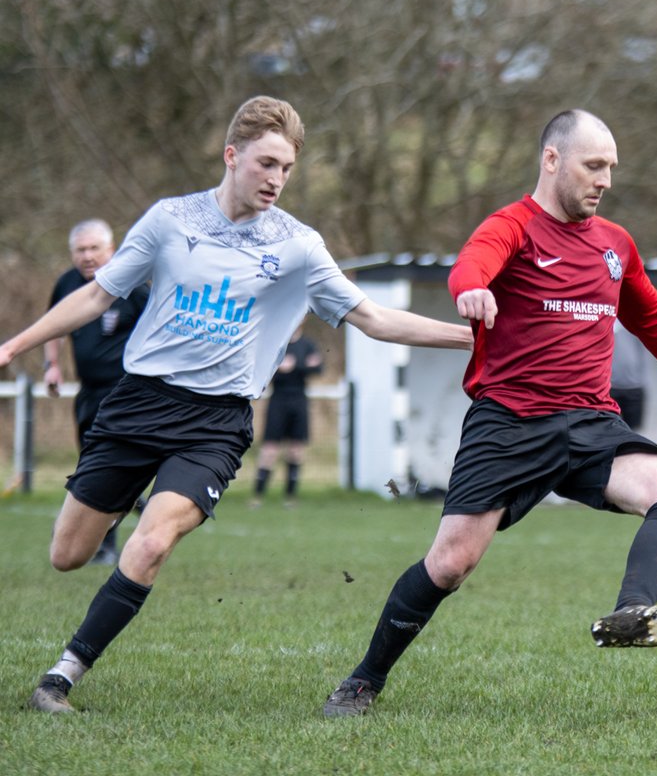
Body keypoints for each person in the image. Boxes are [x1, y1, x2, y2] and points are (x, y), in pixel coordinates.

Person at [0, 96, 474, 714]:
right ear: (232, 156)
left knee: (150, 542)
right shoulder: (170, 220)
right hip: (137, 404)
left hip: (213, 424)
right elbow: (96, 296)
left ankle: (60, 677)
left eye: (287, 168)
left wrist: (475, 337)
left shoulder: (300, 247)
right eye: (266, 163)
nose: (276, 179)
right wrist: (15, 345)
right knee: (68, 555)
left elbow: (375, 318)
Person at [322, 108, 657, 717]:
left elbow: (652, 317)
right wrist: (471, 288)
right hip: (510, 423)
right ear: (552, 160)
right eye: (592, 165)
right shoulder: (513, 226)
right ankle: (363, 680)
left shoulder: (615, 244)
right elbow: (473, 262)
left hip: (590, 421)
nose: (604, 180)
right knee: (450, 563)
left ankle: (630, 611)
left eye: (611, 169)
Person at [44, 219, 150, 564]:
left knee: (107, 466)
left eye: (94, 249)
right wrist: (53, 365)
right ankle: (129, 503)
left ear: (112, 249)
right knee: (89, 464)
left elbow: (158, 330)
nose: (88, 256)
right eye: (81, 250)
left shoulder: (132, 286)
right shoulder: (67, 284)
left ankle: (105, 544)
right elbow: (54, 327)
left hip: (125, 394)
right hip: (88, 393)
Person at [251, 325, 323, 508]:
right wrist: (302, 365)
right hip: (278, 401)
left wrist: (293, 366)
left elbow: (319, 368)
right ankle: (257, 496)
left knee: (296, 450)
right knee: (269, 450)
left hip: (299, 401)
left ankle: (290, 497)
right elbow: (264, 370)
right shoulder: (277, 344)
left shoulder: (308, 345)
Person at [609, 319, 649, 429]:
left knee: (633, 432)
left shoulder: (634, 319)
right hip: (610, 387)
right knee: (609, 430)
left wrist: (641, 379)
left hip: (634, 386)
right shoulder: (605, 317)